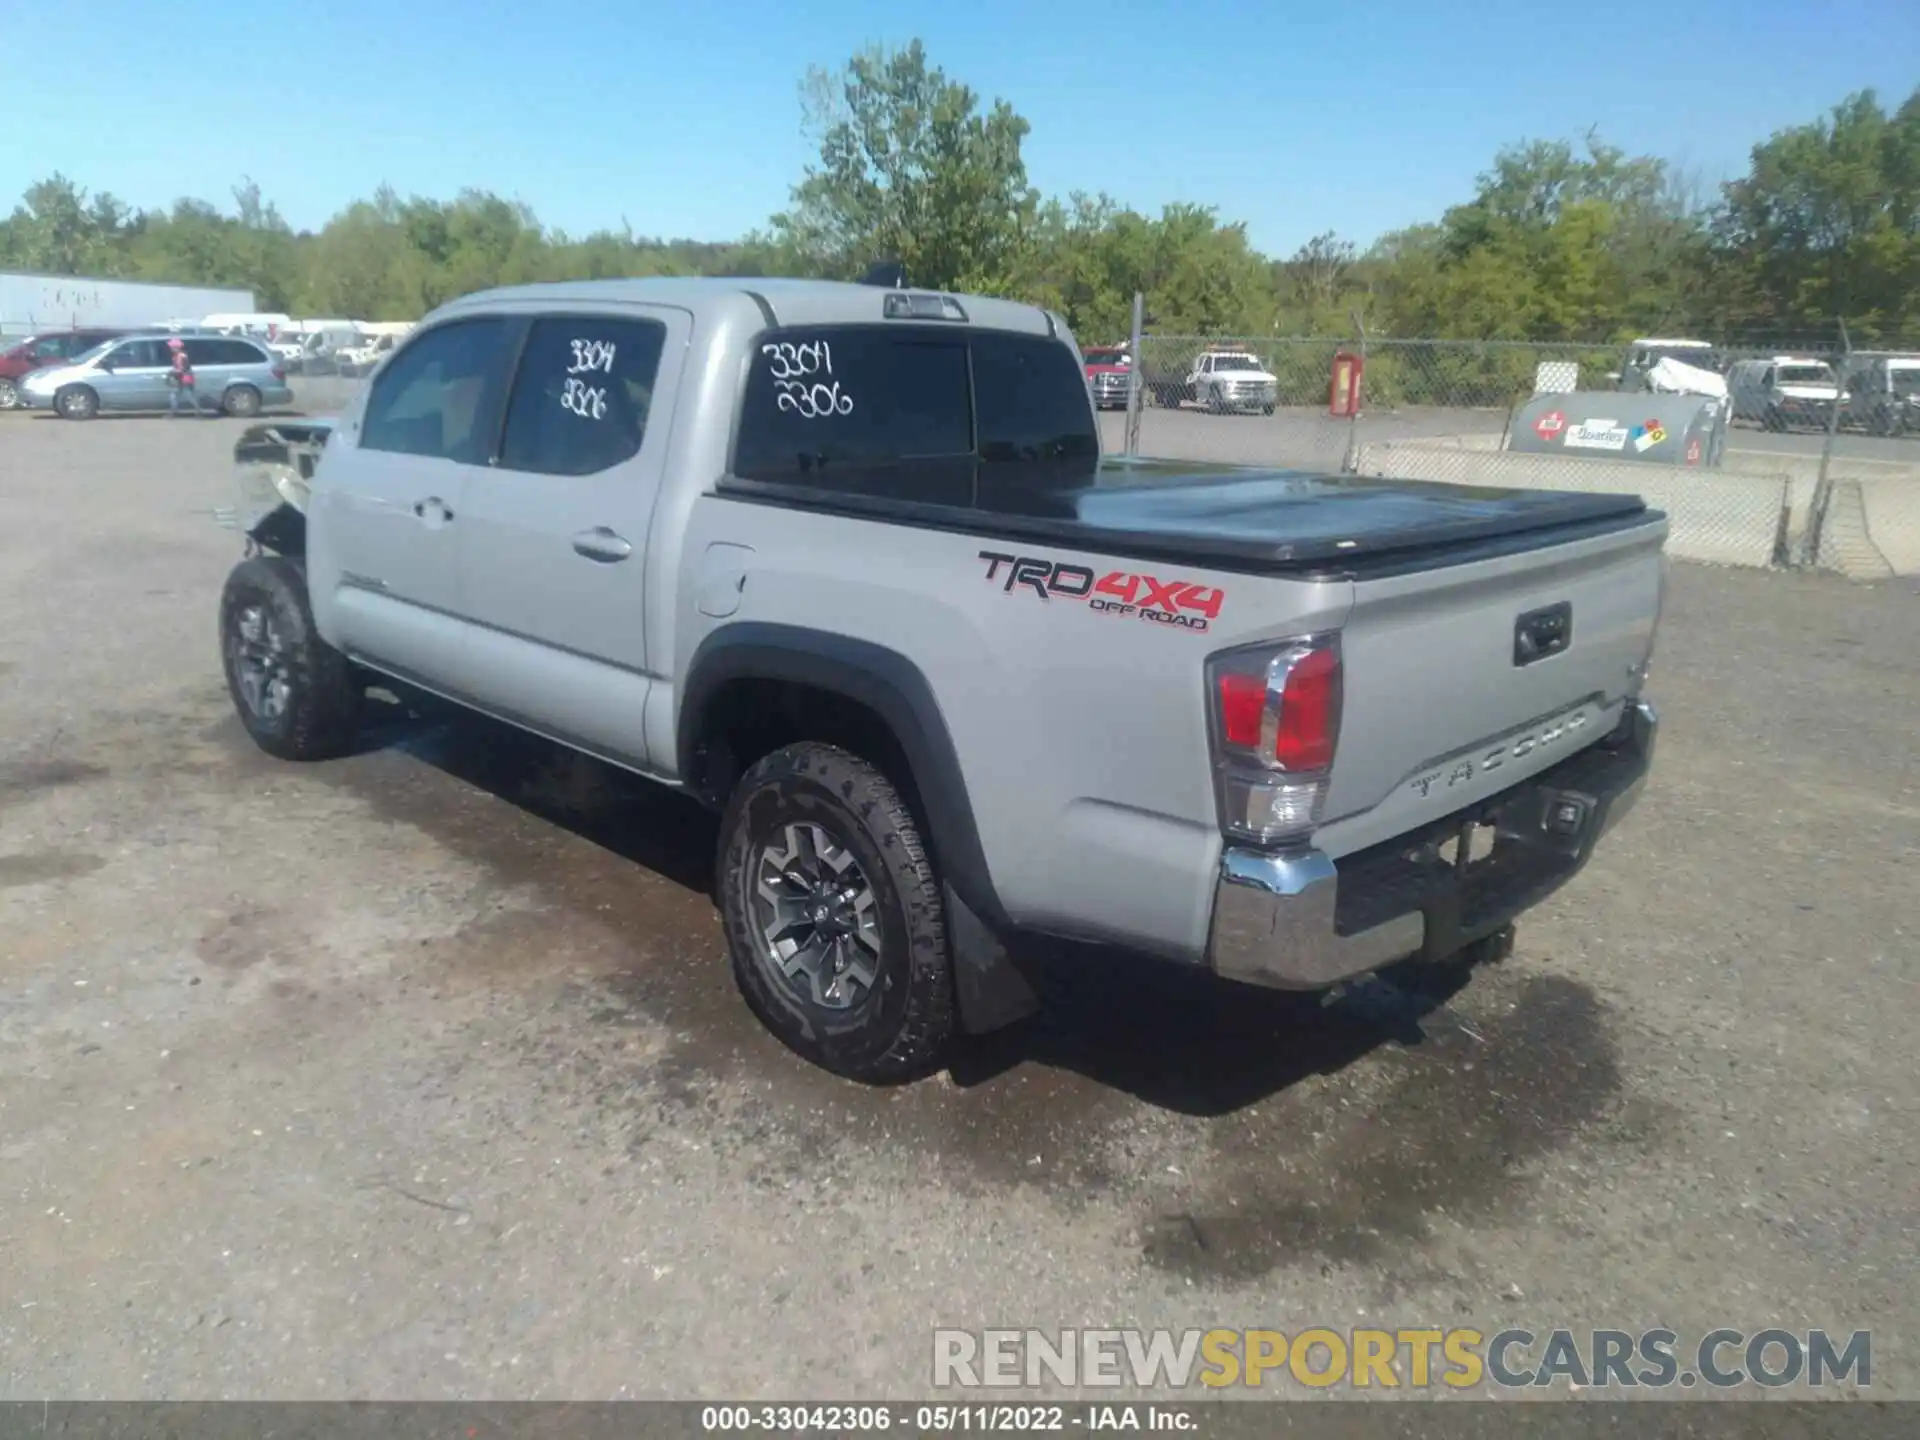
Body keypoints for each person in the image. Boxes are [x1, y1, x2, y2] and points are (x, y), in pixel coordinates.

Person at [166, 337, 212, 418]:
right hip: (183, 378)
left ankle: (174, 412)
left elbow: (182, 368)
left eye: (172, 347)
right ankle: (174, 412)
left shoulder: (181, 356)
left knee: (183, 395)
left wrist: (172, 373)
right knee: (180, 395)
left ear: (177, 347)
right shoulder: (179, 356)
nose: (171, 349)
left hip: (184, 378)